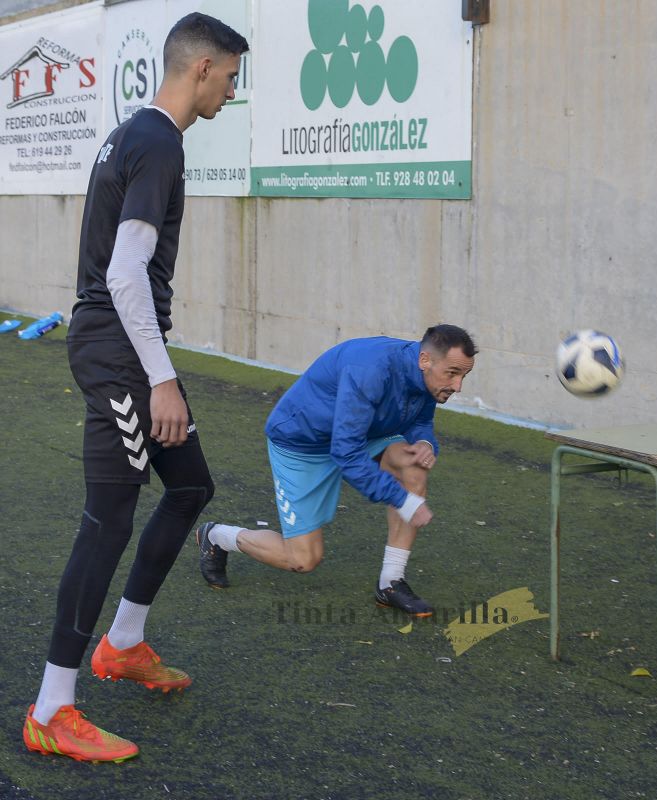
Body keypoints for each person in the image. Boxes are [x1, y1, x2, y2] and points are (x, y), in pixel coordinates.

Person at [22, 13, 249, 764]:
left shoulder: (136, 134)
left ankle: (122, 643)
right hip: (117, 353)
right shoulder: (158, 141)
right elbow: (124, 274)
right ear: (203, 67)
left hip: (119, 345)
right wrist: (161, 379)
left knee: (190, 487)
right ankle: (51, 709)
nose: (231, 92)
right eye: (231, 78)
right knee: (107, 521)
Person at [196, 324, 477, 617]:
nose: (457, 386)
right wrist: (403, 501)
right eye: (452, 373)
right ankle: (217, 536)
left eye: (463, 375)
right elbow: (346, 452)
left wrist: (424, 442)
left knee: (413, 466)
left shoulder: (425, 370)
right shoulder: (370, 370)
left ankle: (390, 582)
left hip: (360, 434)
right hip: (303, 443)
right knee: (302, 559)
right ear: (425, 360)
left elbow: (420, 419)